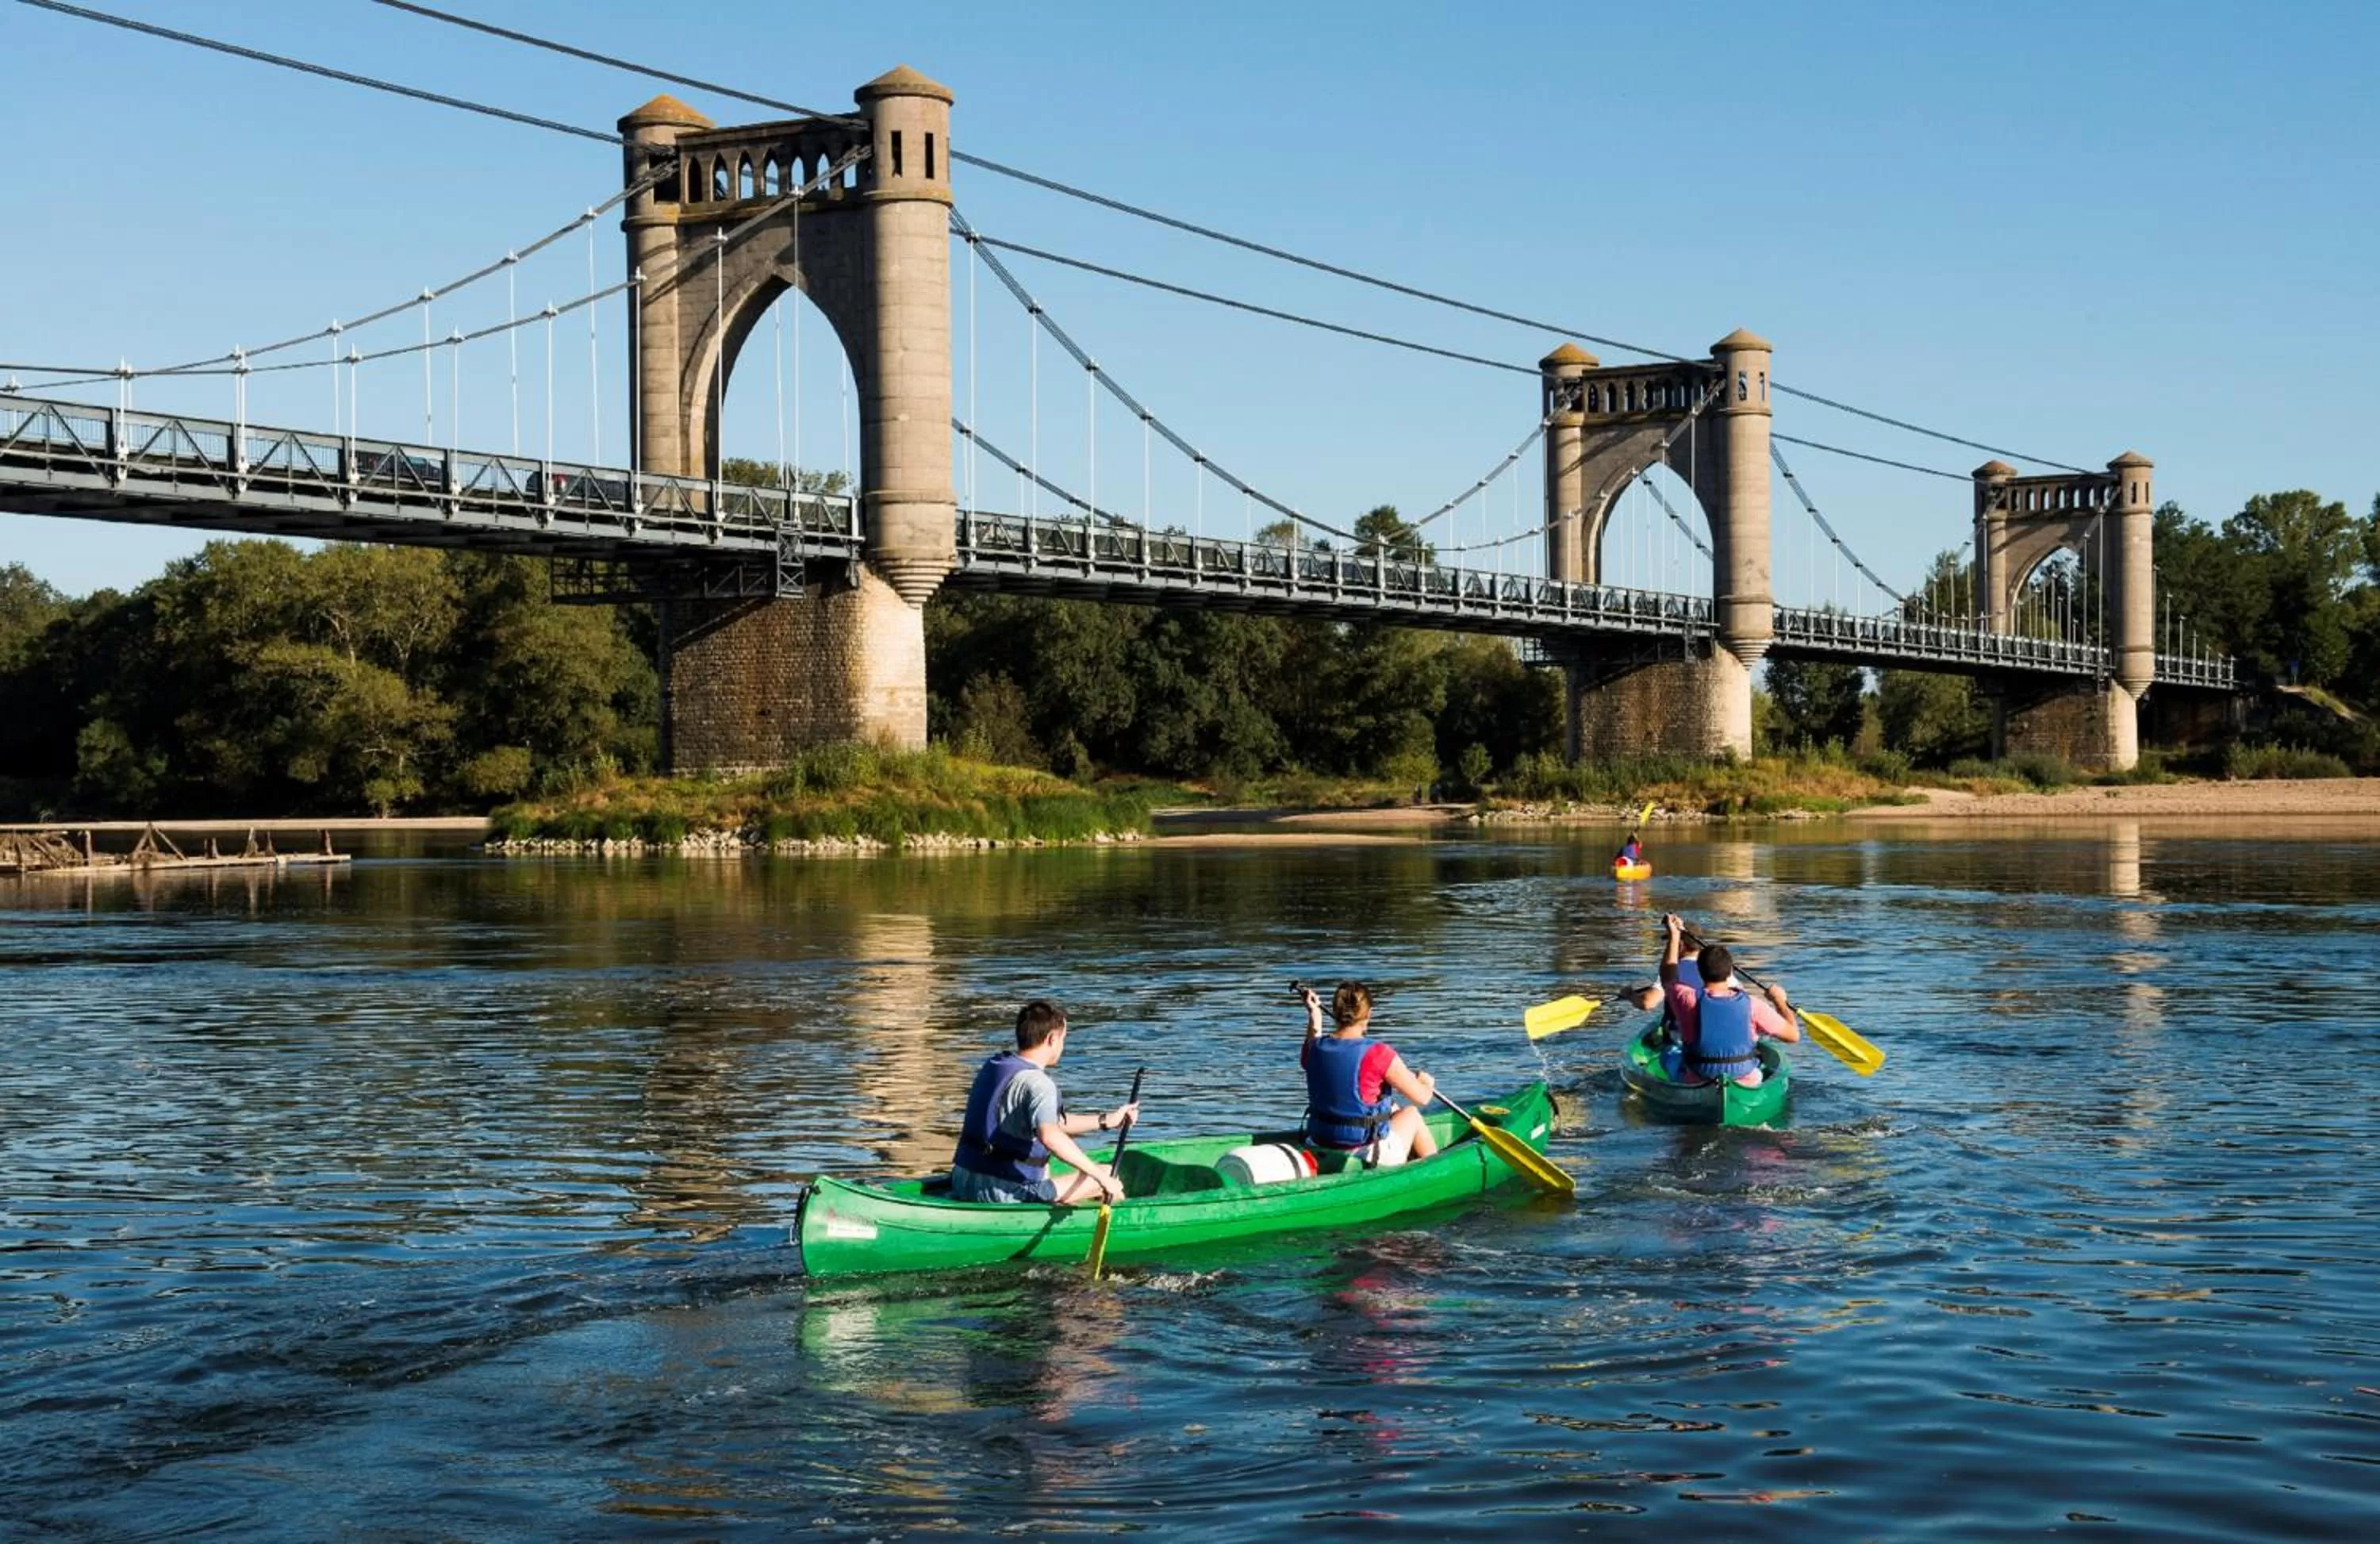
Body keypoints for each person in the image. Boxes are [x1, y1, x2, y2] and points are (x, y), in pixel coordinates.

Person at [949, 1000, 1140, 1205]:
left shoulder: (994, 1066)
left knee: (1058, 1170)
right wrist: (1101, 1178)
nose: (1063, 1046)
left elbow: (1049, 1122)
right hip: (1004, 1194)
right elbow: (1050, 1136)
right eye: (1063, 1039)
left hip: (962, 1182)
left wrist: (1106, 1121)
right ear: (1051, 1039)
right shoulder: (1040, 1084)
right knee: (1109, 1173)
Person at [1299, 981, 1441, 1168]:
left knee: (1394, 1108)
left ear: (1336, 1011)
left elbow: (1313, 1039)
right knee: (1411, 1114)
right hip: (1365, 1151)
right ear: (1369, 1014)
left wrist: (1314, 1014)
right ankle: (1434, 1170)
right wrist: (1426, 1083)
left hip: (1318, 1141)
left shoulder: (1315, 1049)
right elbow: (1422, 1098)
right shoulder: (1379, 1053)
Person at [1657, 912, 1799, 1086]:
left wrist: (1674, 935)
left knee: (1668, 1056)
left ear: (1700, 972)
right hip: (1745, 1080)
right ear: (1729, 973)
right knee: (1760, 1061)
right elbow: (1793, 1036)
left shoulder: (1686, 1000)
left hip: (1699, 1078)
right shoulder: (1753, 1005)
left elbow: (1668, 976)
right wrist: (1780, 1002)